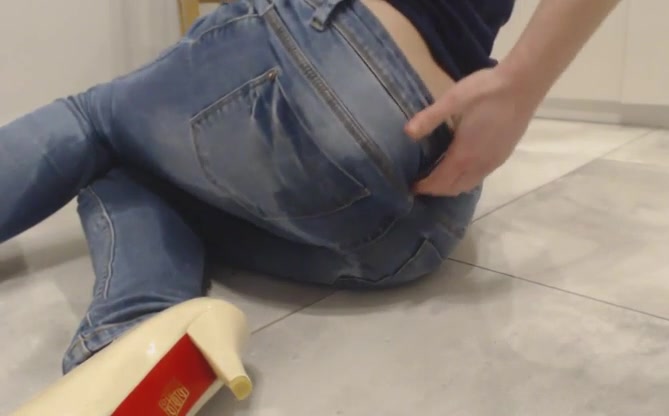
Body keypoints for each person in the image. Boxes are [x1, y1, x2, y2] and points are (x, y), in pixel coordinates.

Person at [1, 0, 619, 379]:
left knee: (95, 122)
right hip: (420, 225)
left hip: (334, 67)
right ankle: (137, 349)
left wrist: (521, 84)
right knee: (151, 169)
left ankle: (134, 323)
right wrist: (521, 86)